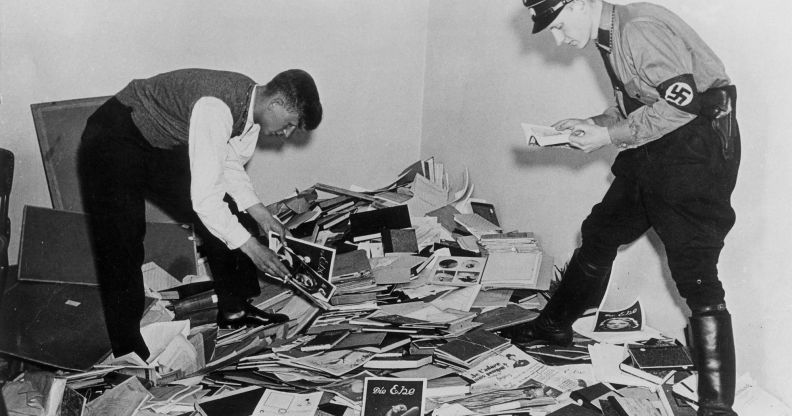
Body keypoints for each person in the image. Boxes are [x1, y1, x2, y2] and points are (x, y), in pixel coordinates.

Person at [502, 1, 740, 415]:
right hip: (657, 144)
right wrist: (594, 123)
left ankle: (717, 407)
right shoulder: (612, 32)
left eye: (558, 26)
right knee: (601, 232)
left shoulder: (638, 28)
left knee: (695, 272)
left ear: (578, 4)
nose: (559, 39)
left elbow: (684, 105)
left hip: (693, 150)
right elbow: (641, 100)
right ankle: (554, 326)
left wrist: (608, 135)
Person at [78, 68, 322, 360]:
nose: (287, 134)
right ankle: (128, 353)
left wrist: (262, 215)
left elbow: (227, 164)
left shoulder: (250, 106)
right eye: (290, 124)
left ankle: (234, 310)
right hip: (113, 137)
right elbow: (205, 201)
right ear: (276, 105)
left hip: (153, 142)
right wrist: (253, 248)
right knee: (123, 245)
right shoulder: (216, 107)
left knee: (229, 214)